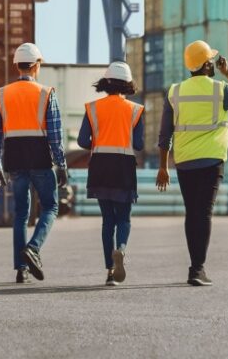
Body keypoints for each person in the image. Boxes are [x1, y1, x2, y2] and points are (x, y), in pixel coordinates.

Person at [156, 40, 228, 287]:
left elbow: (164, 133)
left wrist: (163, 167)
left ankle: (195, 267)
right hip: (211, 161)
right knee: (204, 214)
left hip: (185, 161)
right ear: (208, 64)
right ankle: (197, 270)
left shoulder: (174, 91)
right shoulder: (220, 89)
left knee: (192, 213)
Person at [0, 43, 68, 284]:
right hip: (40, 158)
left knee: (21, 214)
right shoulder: (46, 92)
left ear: (16, 65)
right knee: (50, 207)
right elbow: (55, 133)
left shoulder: (1, 94)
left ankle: (21, 270)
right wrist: (62, 163)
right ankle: (33, 248)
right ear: (36, 65)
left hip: (14, 159)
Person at [77, 62, 144, 286]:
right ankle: (121, 250)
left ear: (106, 83)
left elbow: (82, 141)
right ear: (128, 85)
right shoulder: (135, 110)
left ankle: (109, 272)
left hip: (100, 165)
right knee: (124, 217)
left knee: (108, 221)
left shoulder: (92, 108)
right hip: (124, 165)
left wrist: (100, 141)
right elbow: (140, 144)